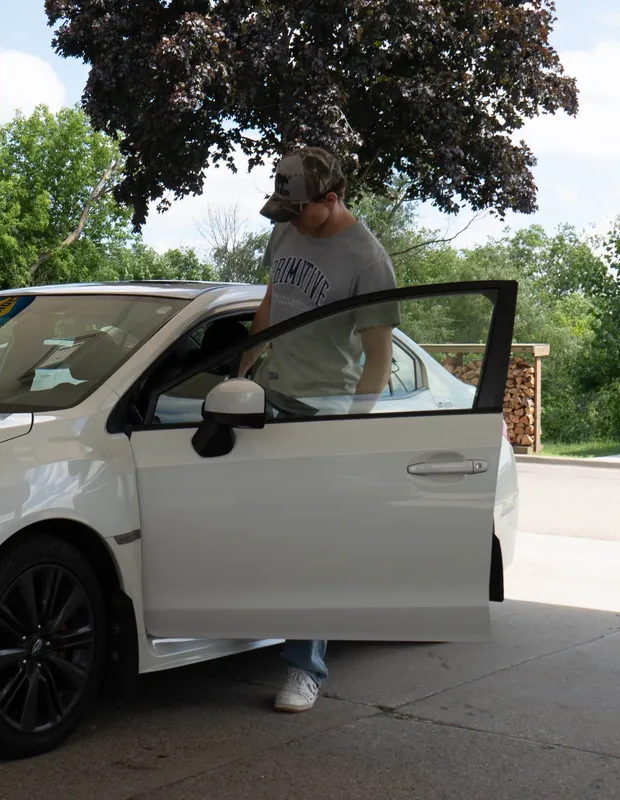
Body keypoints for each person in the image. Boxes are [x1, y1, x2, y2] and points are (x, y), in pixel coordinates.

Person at [242, 146, 399, 713]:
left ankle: (303, 669)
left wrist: (354, 429)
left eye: (300, 209)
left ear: (332, 200)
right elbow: (270, 301)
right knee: (265, 530)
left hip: (324, 412)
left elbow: (379, 357)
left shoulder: (368, 259)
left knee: (312, 543)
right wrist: (241, 369)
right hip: (268, 399)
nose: (289, 219)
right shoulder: (287, 229)